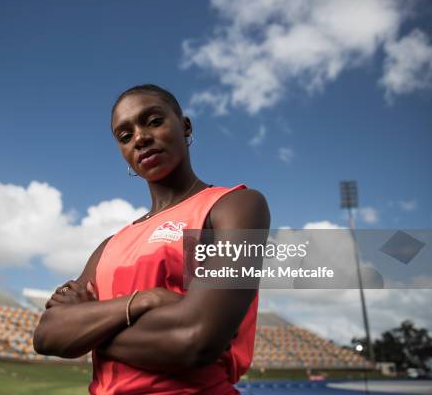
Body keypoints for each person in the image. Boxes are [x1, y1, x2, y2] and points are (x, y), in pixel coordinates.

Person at [33, 84, 270, 394]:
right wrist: (145, 300)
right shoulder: (110, 246)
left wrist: (87, 329)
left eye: (154, 121)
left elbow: (196, 339)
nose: (140, 138)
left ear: (185, 126)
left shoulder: (233, 207)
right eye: (125, 136)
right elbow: (47, 335)